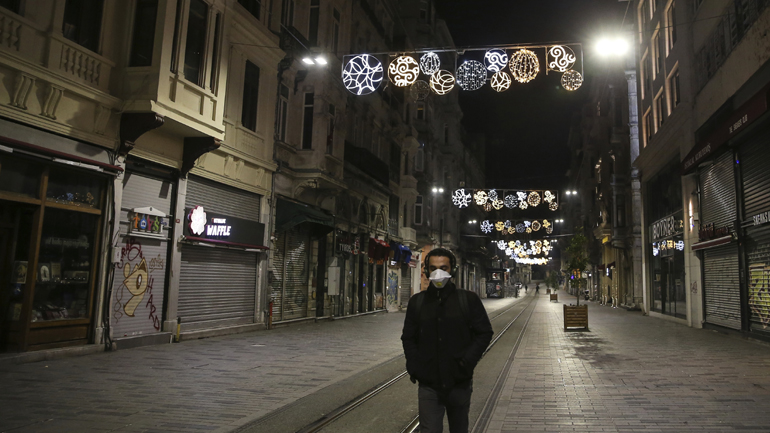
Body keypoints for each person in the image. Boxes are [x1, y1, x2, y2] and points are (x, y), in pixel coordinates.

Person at [401, 248, 493, 433]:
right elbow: (408, 337)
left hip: (458, 382)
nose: (438, 273)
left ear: (453, 270)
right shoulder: (417, 302)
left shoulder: (468, 300)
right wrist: (416, 366)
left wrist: (466, 362)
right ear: (426, 271)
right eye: (433, 268)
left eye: (443, 267)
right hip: (429, 383)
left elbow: (484, 333)